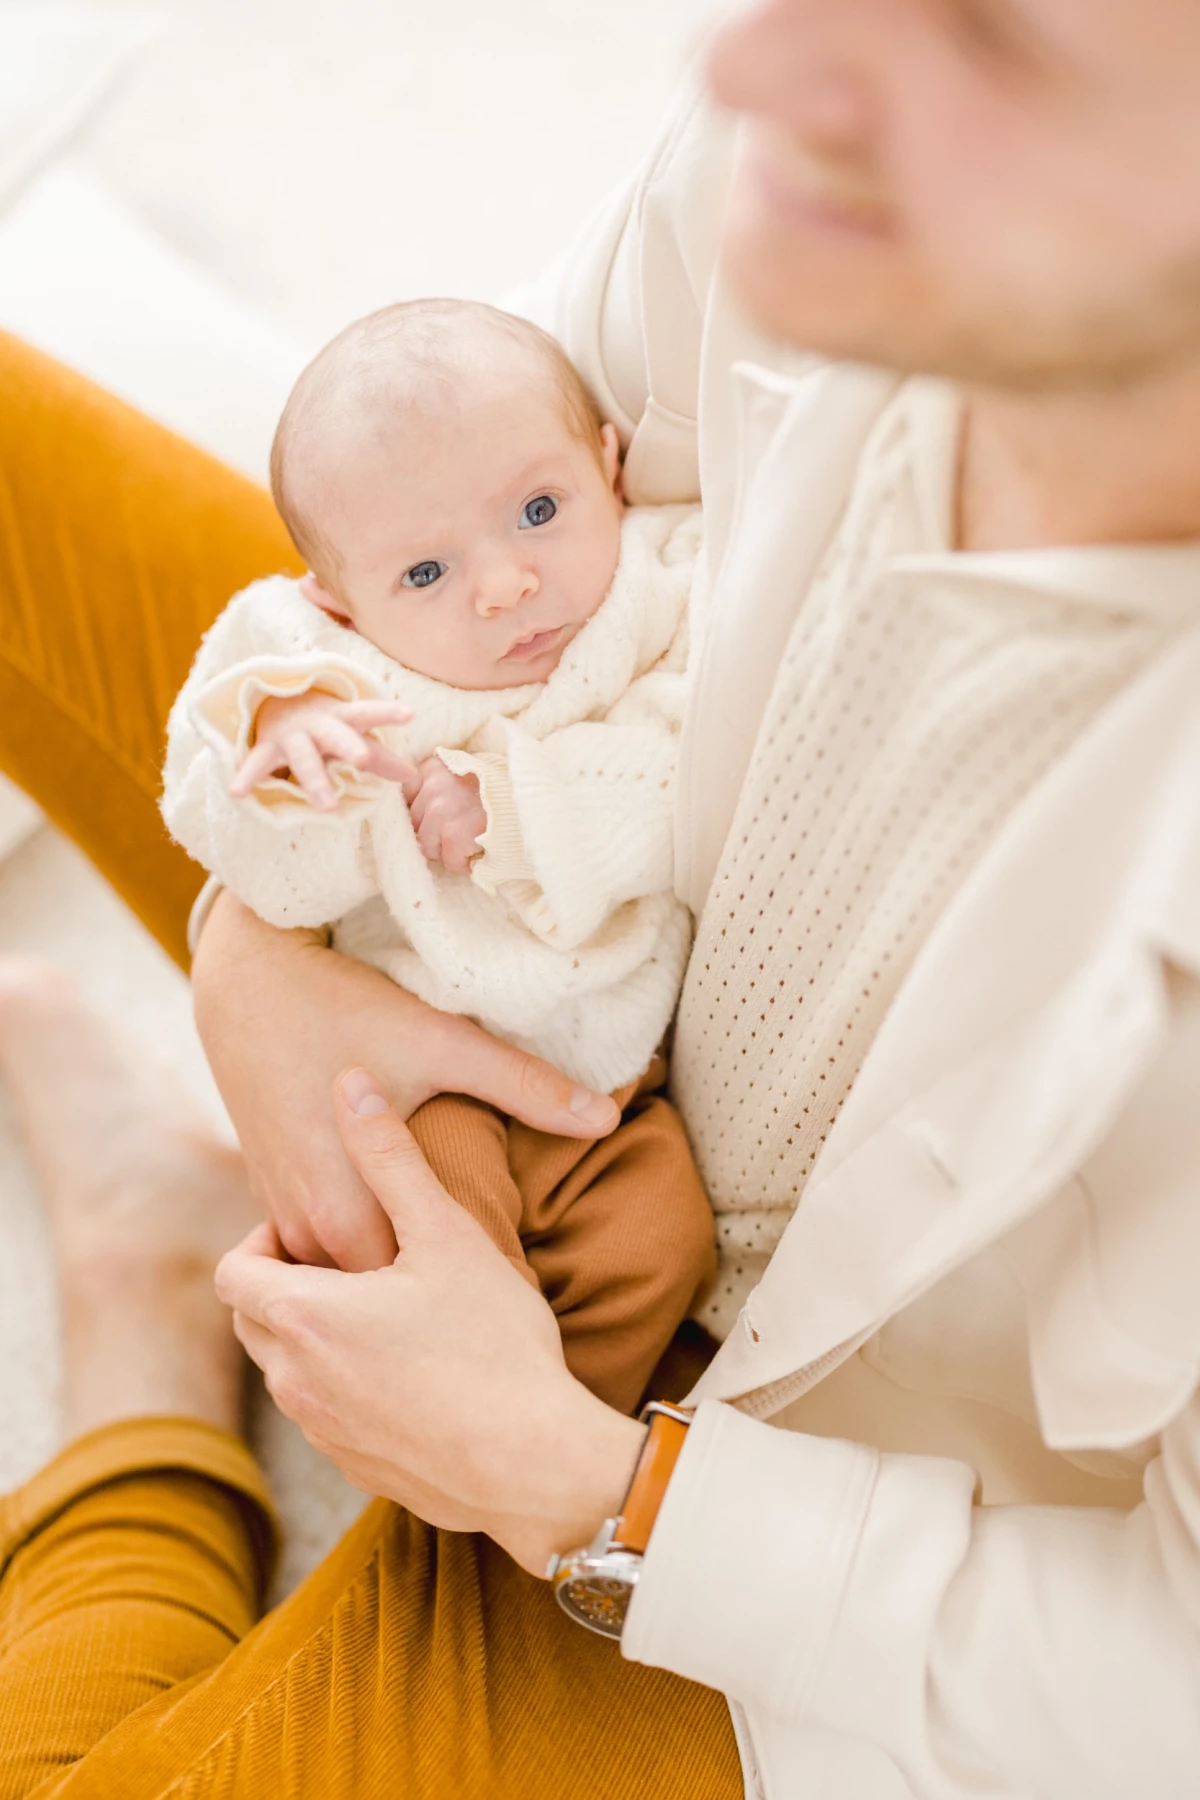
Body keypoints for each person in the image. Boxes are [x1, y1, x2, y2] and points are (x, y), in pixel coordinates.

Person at [2, 0, 1200, 1794]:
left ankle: (150, 1329)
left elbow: (1163, 1684)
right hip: (479, 891)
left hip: (775, 1480)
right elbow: (455, 453)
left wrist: (579, 1486)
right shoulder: (810, 167)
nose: (748, 73)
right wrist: (255, 944)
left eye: (998, 47)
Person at [163, 294, 712, 1416]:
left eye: (540, 509)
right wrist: (284, 759)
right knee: (434, 1241)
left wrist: (513, 811)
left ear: (610, 465)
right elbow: (266, 881)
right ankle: (446, 1415)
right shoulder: (330, 675)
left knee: (662, 1235)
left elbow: (681, 775)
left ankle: (559, 1415)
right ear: (342, 603)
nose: (504, 584)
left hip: (600, 1090)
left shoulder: (656, 598)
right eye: (425, 574)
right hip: (409, 1077)